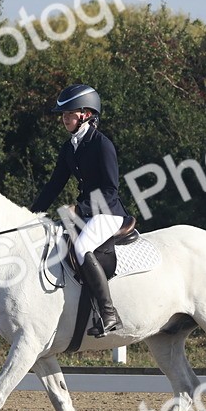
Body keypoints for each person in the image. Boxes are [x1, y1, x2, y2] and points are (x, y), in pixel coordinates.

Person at [30, 84, 132, 336]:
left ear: (86, 114)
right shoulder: (70, 147)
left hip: (107, 213)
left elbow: (110, 190)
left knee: (81, 247)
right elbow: (55, 184)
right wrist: (31, 215)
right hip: (85, 212)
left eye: (70, 114)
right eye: (64, 115)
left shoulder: (102, 144)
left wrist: (80, 207)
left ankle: (109, 314)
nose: (64, 118)